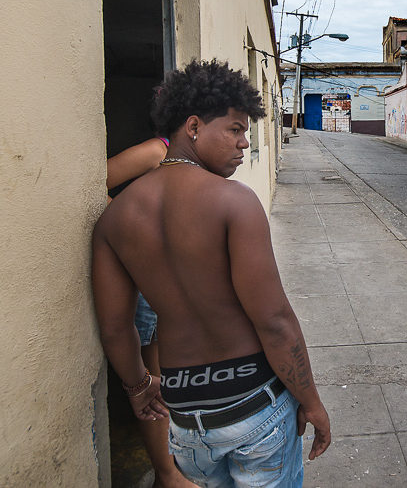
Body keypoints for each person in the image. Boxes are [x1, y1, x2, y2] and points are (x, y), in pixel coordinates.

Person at [93, 59, 330, 487]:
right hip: (253, 404)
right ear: (195, 126)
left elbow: (115, 328)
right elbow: (274, 320)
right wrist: (310, 400)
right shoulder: (233, 202)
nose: (244, 143)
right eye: (236, 129)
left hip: (185, 419)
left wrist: (138, 387)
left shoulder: (114, 220)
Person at [106, 136, 196, 488]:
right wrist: (134, 228)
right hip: (148, 282)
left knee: (169, 381)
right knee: (150, 382)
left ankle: (173, 468)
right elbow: (90, 185)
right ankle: (167, 475)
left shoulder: (196, 163)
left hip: (174, 282)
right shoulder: (157, 151)